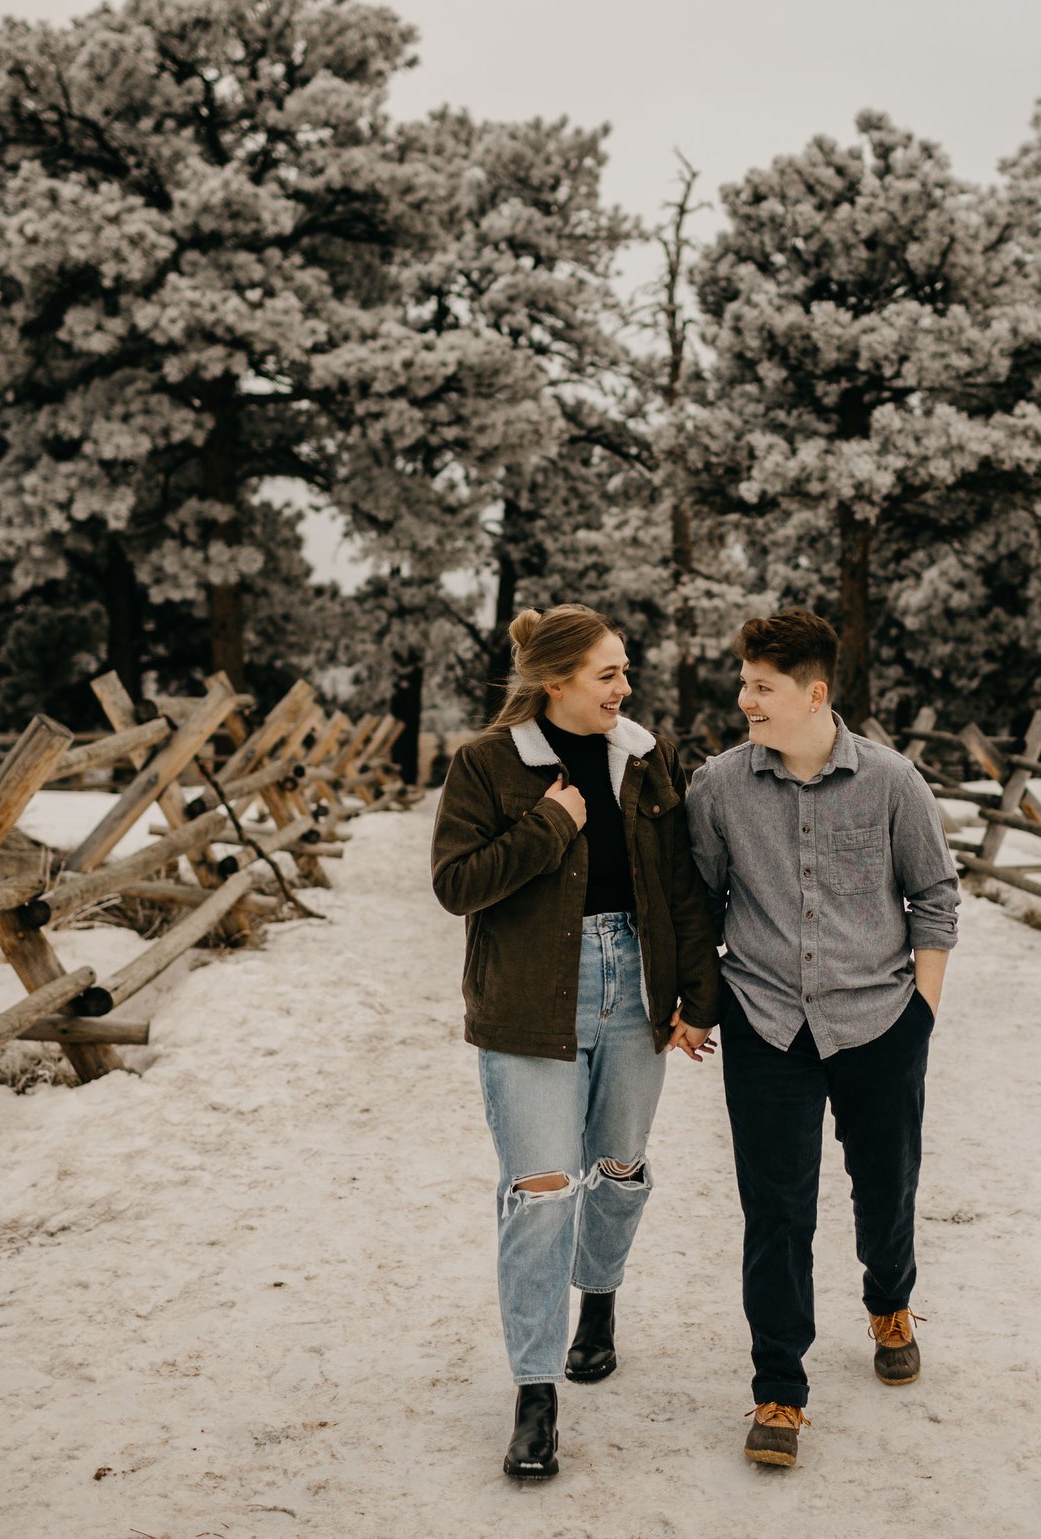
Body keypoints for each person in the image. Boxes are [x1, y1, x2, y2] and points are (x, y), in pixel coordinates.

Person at [430, 604, 723, 1480]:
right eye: (608, 674)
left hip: (634, 983)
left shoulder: (643, 755)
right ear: (555, 682)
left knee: (620, 1168)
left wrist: (696, 997)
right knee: (542, 1190)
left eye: (624, 670)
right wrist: (550, 824)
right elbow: (455, 885)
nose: (624, 687)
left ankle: (597, 1301)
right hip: (530, 999)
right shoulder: (484, 764)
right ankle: (534, 1394)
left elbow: (680, 880)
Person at [686, 608, 960, 1469]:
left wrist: (922, 1014)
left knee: (885, 1187)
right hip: (766, 1020)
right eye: (743, 682)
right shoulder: (719, 787)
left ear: (813, 693)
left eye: (761, 687)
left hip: (879, 1021)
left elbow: (936, 898)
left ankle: (890, 1300)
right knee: (775, 1209)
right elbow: (698, 902)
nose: (744, 699)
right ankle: (778, 1388)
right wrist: (697, 1001)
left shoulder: (891, 781)